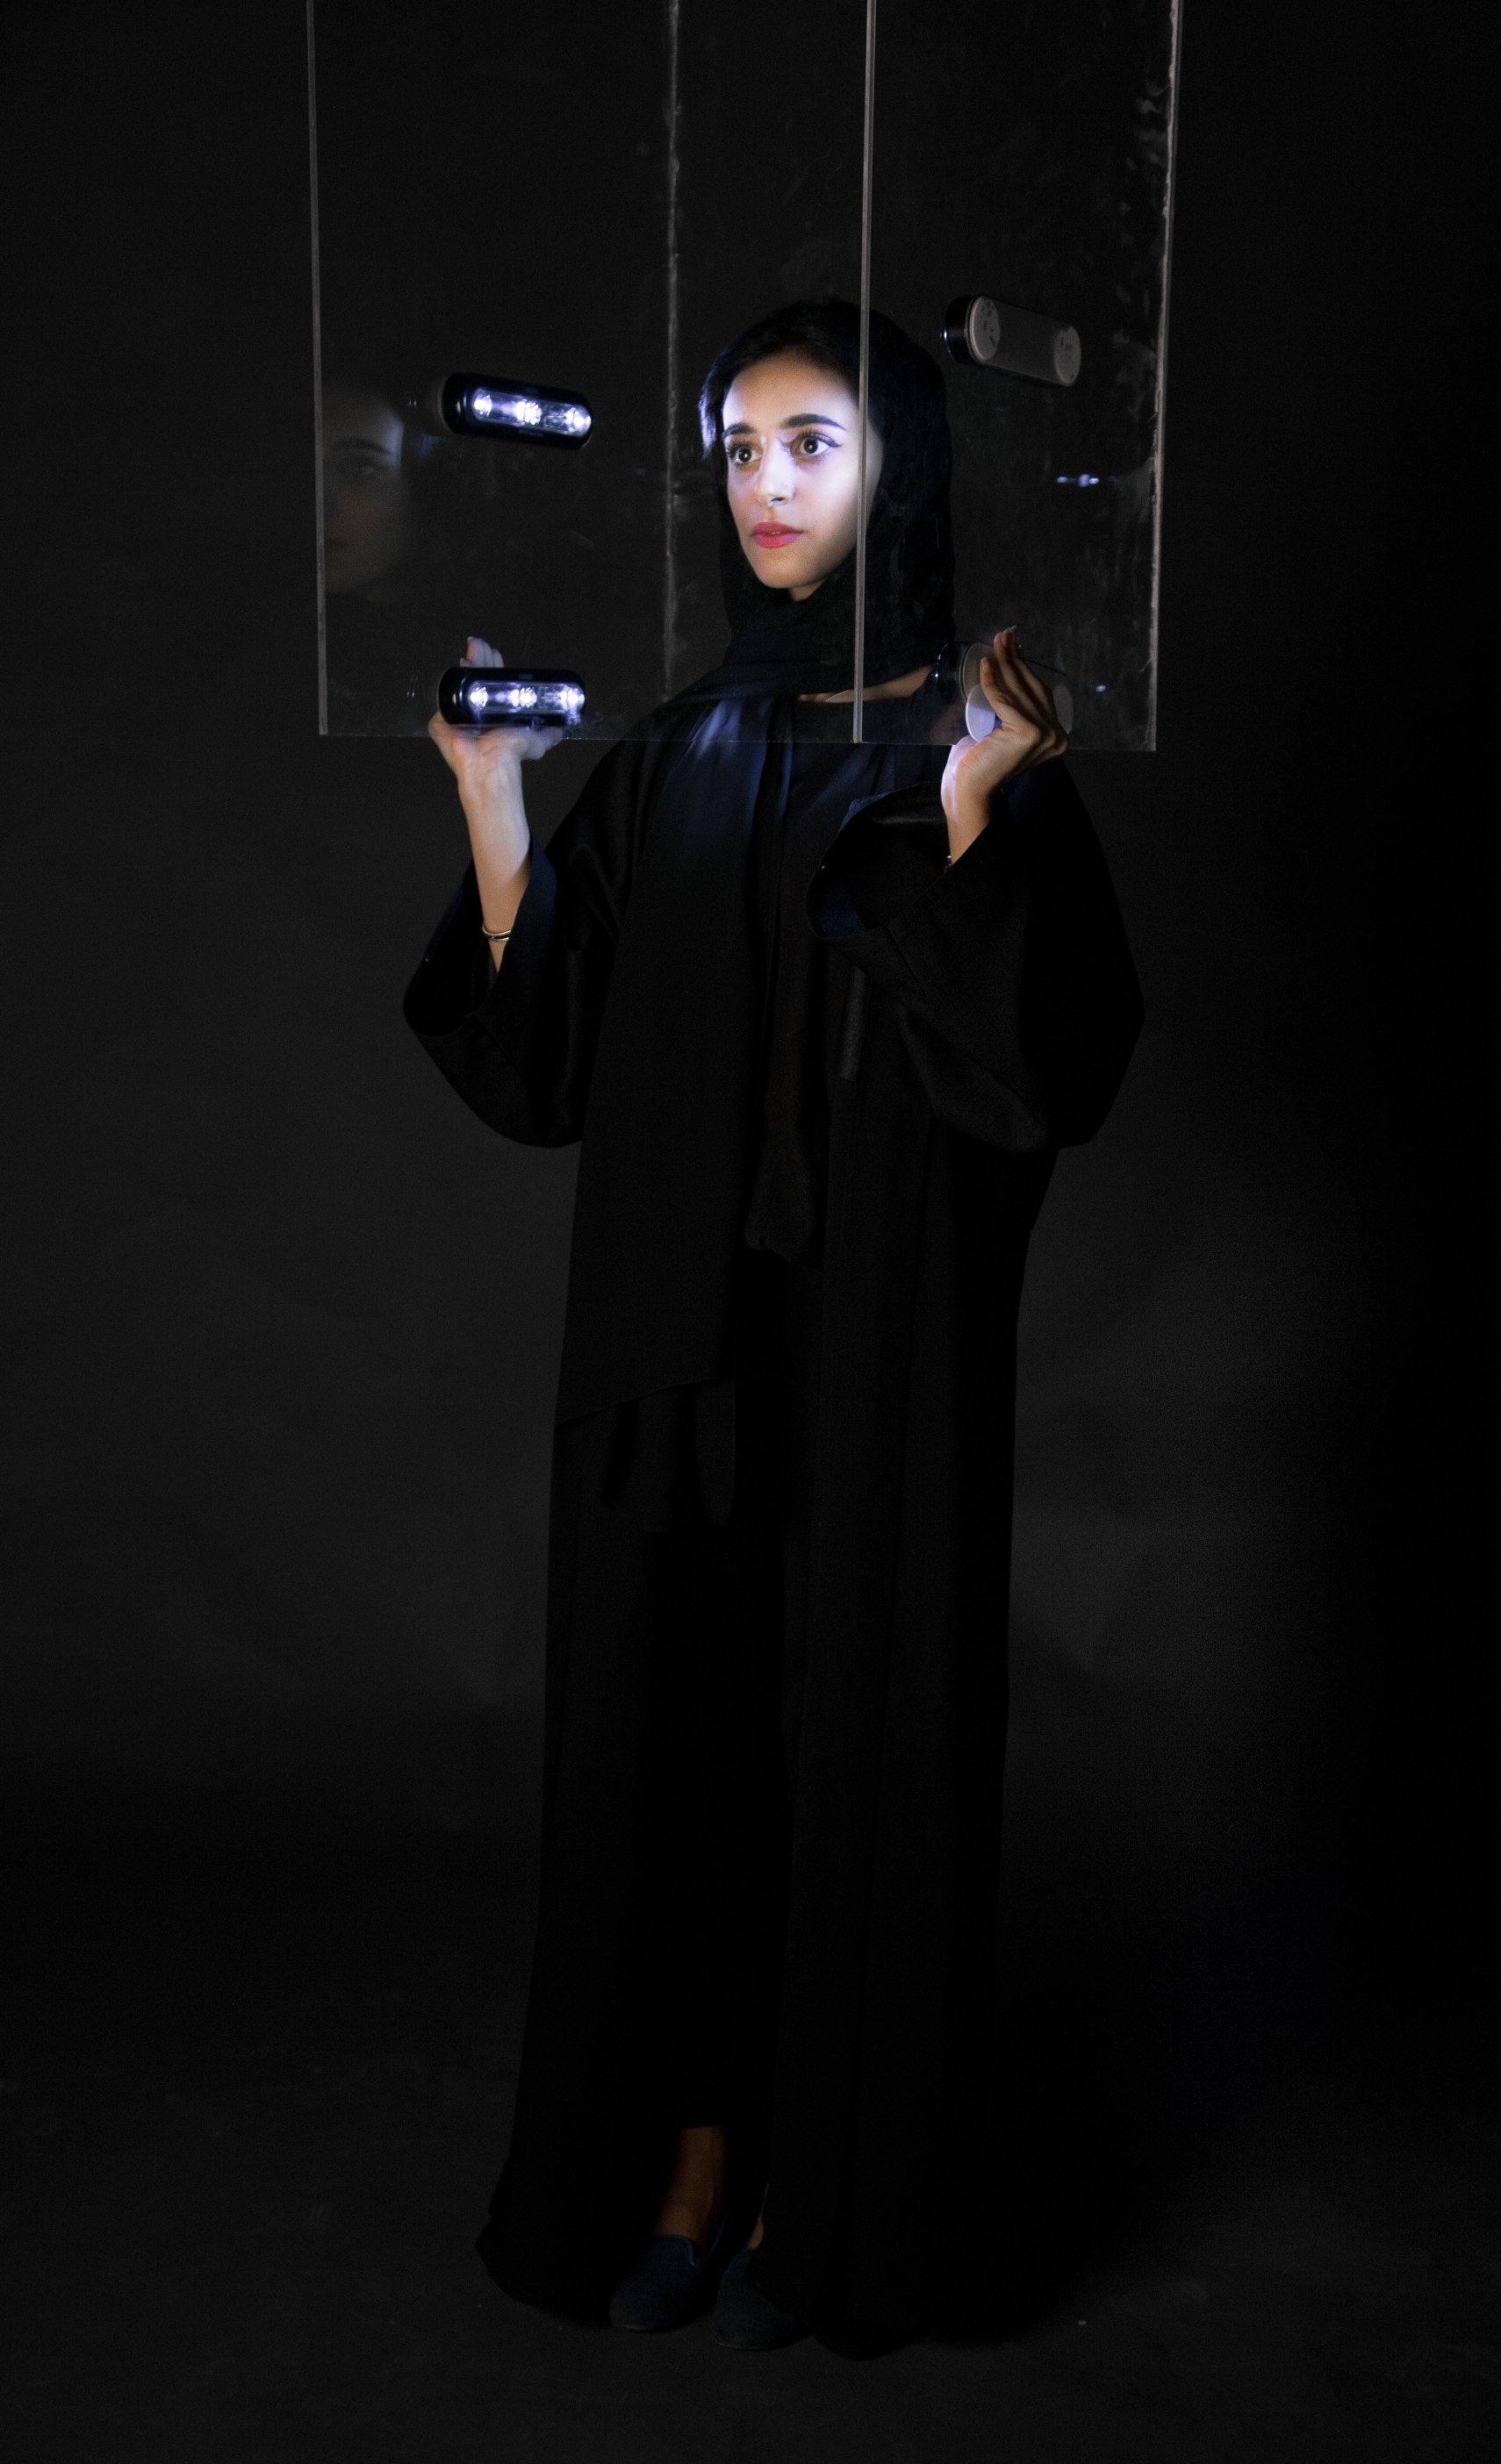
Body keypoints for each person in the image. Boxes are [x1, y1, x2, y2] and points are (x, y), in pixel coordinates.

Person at [404, 300, 1143, 2355]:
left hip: (877, 1353)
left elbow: (1046, 1073)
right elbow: (541, 1062)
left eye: (811, 444)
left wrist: (975, 817)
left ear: (900, 464)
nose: (764, 486)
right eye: (738, 446)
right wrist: (493, 800)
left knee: (856, 1745)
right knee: (688, 1751)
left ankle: (839, 2189)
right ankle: (691, 2155)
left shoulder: (986, 727)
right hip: (686, 1354)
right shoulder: (688, 746)